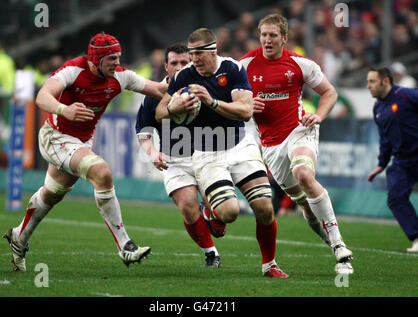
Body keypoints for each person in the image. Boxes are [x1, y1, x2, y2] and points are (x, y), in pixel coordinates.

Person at [3, 32, 168, 271]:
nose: (117, 63)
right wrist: (64, 109)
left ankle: (19, 236)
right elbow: (42, 97)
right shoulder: (73, 70)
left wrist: (186, 85)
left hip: (81, 142)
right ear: (96, 59)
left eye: (119, 57)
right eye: (112, 58)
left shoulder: (120, 77)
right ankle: (125, 246)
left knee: (52, 194)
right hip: (56, 137)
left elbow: (160, 90)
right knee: (102, 172)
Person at [155, 28, 289, 278]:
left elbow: (246, 110)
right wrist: (174, 106)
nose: (195, 59)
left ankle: (269, 265)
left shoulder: (233, 69)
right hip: (207, 152)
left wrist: (212, 102)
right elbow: (160, 111)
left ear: (214, 50)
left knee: (265, 207)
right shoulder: (184, 76)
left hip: (240, 146)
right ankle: (212, 212)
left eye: (200, 53)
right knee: (230, 213)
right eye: (192, 53)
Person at [239, 14, 354, 274]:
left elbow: (330, 92)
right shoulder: (244, 65)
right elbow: (227, 102)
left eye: (273, 35)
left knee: (304, 173)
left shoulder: (300, 64)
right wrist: (245, 106)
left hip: (300, 131)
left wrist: (320, 115)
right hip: (270, 147)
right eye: (264, 35)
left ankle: (339, 244)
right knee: (305, 207)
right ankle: (334, 246)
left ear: (284, 38)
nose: (267, 40)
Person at [135, 43, 221, 268]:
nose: (180, 66)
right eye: (175, 63)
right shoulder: (155, 94)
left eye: (185, 62)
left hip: (208, 156)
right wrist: (152, 152)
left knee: (221, 212)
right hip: (175, 160)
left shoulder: (206, 87)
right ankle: (211, 253)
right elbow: (143, 131)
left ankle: (214, 215)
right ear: (166, 66)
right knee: (187, 205)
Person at [366, 67, 418, 253]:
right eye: (368, 81)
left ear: (385, 81)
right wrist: (381, 163)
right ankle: (417, 237)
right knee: (395, 198)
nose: (368, 86)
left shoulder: (407, 96)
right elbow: (385, 139)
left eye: (372, 81)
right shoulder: (378, 107)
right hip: (403, 160)